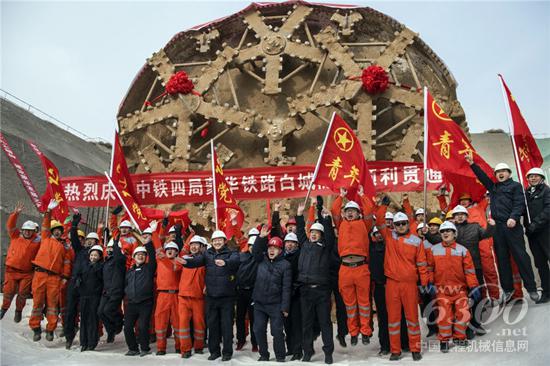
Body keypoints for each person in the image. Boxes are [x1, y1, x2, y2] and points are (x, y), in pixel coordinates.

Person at [466, 153, 540, 303]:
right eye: (498, 172)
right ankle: (507, 290)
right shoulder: (493, 188)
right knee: (502, 259)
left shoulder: (516, 186)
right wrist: (472, 164)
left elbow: (519, 203)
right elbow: (483, 178)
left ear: (508, 173)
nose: (500, 174)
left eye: (503, 172)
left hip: (512, 226)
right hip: (498, 229)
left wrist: (513, 217)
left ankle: (531, 289)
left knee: (521, 257)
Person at [376, 211, 428, 361]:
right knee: (393, 319)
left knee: (412, 318)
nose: (400, 226)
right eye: (397, 224)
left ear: (407, 224)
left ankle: (415, 349)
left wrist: (424, 282)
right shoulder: (389, 236)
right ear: (394, 225)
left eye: (403, 223)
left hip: (409, 284)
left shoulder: (416, 241)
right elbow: (379, 220)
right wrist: (383, 206)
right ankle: (395, 350)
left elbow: (422, 264)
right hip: (392, 283)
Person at [180, 230, 240, 361]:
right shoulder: (208, 254)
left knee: (227, 326)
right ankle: (214, 351)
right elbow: (196, 261)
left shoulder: (231, 253)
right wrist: (183, 262)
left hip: (227, 297)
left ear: (224, 241)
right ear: (211, 242)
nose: (217, 242)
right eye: (214, 240)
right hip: (211, 297)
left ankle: (227, 352)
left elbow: (236, 261)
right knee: (212, 325)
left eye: (220, 240)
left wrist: (226, 263)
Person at [426, 221, 479, 353]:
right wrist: (430, 283)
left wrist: (473, 286)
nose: (445, 233)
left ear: (454, 234)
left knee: (463, 314)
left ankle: (460, 337)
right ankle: (444, 340)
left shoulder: (463, 250)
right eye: (443, 231)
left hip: (460, 290)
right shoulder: (433, 250)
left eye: (448, 231)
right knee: (444, 316)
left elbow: (469, 271)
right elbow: (430, 268)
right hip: (441, 290)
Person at [331, 187, 373, 346]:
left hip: (361, 268)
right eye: (347, 210)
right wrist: (341, 196)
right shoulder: (340, 224)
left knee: (363, 303)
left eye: (353, 211)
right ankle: (353, 332)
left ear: (358, 213)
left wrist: (363, 194)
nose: (350, 213)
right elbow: (334, 209)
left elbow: (369, 209)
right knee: (349, 304)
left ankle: (365, 331)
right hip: (345, 269)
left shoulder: (365, 224)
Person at [296, 201, 336, 364]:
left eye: (316, 233)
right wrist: (299, 215)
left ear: (321, 235)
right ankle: (307, 351)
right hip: (305, 291)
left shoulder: (325, 247)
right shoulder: (305, 245)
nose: (313, 234)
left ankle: (328, 352)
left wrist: (325, 219)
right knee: (306, 323)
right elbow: (300, 232)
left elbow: (330, 236)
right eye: (311, 232)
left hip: (321, 291)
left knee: (325, 322)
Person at [29, 199, 71, 342]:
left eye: (60, 231)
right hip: (40, 274)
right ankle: (35, 328)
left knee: (53, 305)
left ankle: (50, 329)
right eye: (56, 230)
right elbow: (45, 225)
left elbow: (66, 262)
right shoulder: (45, 238)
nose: (58, 232)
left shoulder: (64, 246)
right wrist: (48, 211)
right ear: (52, 231)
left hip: (54, 278)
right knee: (37, 303)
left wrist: (65, 276)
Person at [451, 204, 495, 337]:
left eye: (462, 214)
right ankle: (466, 326)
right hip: (457, 270)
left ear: (466, 216)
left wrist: (491, 226)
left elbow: (487, 234)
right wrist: (427, 233)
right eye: (456, 215)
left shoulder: (475, 227)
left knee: (477, 297)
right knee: (462, 299)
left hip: (475, 268)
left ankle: (476, 324)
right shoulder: (450, 230)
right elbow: (437, 239)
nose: (459, 216)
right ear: (453, 218)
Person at [252, 228, 292, 362]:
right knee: (258, 329)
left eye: (275, 248)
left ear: (280, 250)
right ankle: (264, 355)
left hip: (276, 304)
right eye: (270, 247)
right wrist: (261, 238)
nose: (271, 250)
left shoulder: (286, 265)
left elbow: (287, 288)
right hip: (259, 303)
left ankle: (280, 356)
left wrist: (285, 307)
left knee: (277, 332)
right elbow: (255, 251)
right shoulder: (261, 260)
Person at [64, 212, 100, 349]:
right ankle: (69, 336)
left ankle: (90, 339)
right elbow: (73, 238)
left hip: (89, 287)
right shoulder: (80, 250)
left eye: (93, 240)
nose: (90, 242)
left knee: (88, 314)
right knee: (70, 311)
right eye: (88, 240)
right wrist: (74, 224)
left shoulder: (98, 255)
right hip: (75, 283)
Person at [121, 222, 157, 357]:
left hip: (145, 303)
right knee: (128, 327)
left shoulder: (149, 268)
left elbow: (152, 257)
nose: (140, 256)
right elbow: (126, 284)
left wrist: (148, 243)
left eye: (143, 255)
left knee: (142, 327)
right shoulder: (130, 271)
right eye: (138, 255)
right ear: (134, 258)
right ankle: (133, 348)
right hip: (131, 303)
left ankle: (145, 348)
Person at [1, 202, 40, 322]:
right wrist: (15, 213)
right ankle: (4, 309)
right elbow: (10, 225)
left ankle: (18, 310)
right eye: (26, 230)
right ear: (22, 230)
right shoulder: (15, 236)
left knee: (23, 293)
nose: (27, 232)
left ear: (34, 231)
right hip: (11, 271)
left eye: (30, 231)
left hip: (27, 272)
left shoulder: (37, 241)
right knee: (8, 291)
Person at [175, 235, 207, 358]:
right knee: (183, 325)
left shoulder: (204, 261)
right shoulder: (184, 259)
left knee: (199, 324)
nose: (194, 247)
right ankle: (185, 349)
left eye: (196, 244)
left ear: (201, 247)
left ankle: (199, 346)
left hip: (198, 297)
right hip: (183, 297)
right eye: (192, 244)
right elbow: (174, 266)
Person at [524, 167, 550, 303]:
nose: (532, 178)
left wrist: (536, 223)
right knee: (540, 264)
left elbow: (548, 209)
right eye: (530, 177)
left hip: (546, 232)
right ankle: (547, 291)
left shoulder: (547, 191)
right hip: (533, 235)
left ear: (541, 178)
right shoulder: (526, 193)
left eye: (535, 176)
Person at [153, 239, 182, 355]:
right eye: (168, 249)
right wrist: (154, 232)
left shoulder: (179, 262)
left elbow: (171, 267)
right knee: (160, 322)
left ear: (177, 252)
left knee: (178, 322)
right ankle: (161, 348)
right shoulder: (160, 261)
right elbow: (157, 248)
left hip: (175, 295)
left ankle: (179, 346)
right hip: (162, 295)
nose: (170, 251)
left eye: (173, 249)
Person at [74, 244, 104, 351]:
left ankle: (92, 342)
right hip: (84, 295)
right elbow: (78, 273)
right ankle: (84, 342)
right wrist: (78, 279)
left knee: (93, 319)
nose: (93, 257)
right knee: (84, 319)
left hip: (95, 296)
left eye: (96, 255)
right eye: (92, 255)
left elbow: (102, 280)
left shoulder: (101, 267)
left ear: (100, 257)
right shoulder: (85, 265)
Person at [98, 237, 126, 344]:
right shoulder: (105, 262)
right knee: (100, 312)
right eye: (108, 248)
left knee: (108, 310)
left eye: (112, 248)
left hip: (116, 290)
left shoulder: (120, 260)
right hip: (106, 291)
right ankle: (110, 331)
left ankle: (119, 322)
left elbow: (119, 257)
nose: (110, 250)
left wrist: (116, 245)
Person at [235, 235, 259, 351]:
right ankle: (241, 340)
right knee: (239, 317)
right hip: (241, 291)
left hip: (253, 291)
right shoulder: (240, 256)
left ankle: (255, 343)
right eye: (251, 246)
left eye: (255, 246)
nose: (252, 248)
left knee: (254, 318)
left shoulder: (259, 258)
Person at [283, 231, 303, 360]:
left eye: (292, 243)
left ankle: (297, 351)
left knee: (296, 324)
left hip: (296, 294)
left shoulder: (300, 256)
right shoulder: (281, 257)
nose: (289, 245)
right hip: (284, 295)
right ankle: (290, 348)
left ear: (296, 244)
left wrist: (296, 287)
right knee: (287, 323)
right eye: (287, 242)